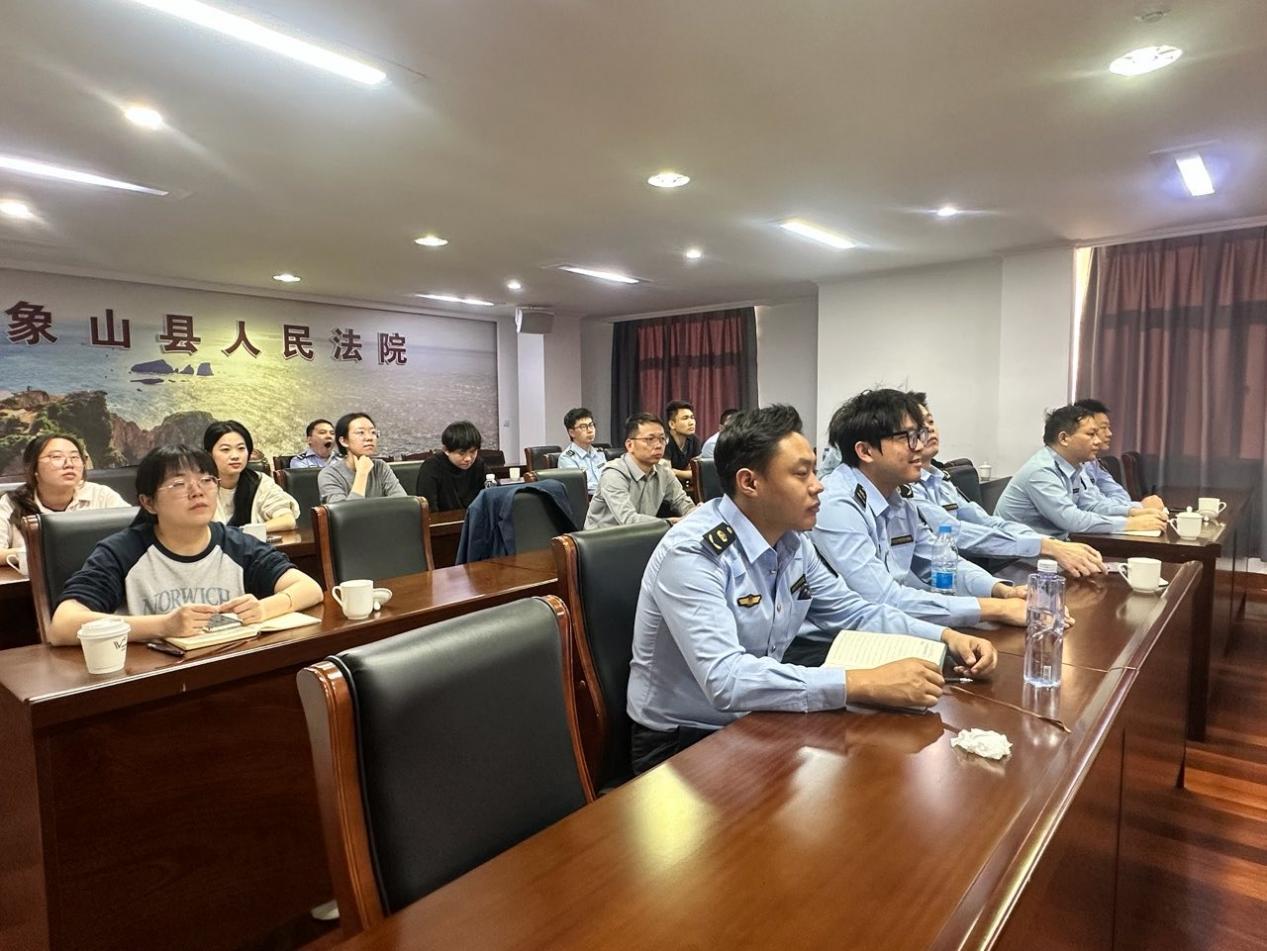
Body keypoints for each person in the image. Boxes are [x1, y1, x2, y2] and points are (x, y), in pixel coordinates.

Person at [627, 404, 997, 774]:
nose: (818, 485)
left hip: (760, 716)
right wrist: (862, 682)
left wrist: (946, 637)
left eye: (815, 471)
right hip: (683, 743)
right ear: (750, 483)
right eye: (801, 474)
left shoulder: (791, 541)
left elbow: (854, 612)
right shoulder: (695, 553)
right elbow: (726, 679)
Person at [47, 445, 323, 646]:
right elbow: (63, 625)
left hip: (230, 666)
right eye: (179, 484)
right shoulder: (123, 551)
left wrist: (263, 609)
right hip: (153, 679)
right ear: (148, 502)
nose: (197, 491)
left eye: (207, 480)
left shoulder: (236, 544)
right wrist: (163, 625)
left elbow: (308, 588)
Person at [811, 389, 1030, 629]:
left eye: (920, 434)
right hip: (839, 639)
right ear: (865, 451)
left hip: (891, 625)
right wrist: (996, 609)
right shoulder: (836, 504)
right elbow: (882, 598)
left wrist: (1000, 591)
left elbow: (939, 562)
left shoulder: (899, 498)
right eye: (906, 437)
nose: (919, 446)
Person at [910, 394, 1104, 577]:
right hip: (972, 571)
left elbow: (986, 522)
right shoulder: (907, 489)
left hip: (973, 571)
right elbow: (956, 533)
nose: (928, 429)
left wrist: (1048, 543)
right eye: (917, 426)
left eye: (930, 421)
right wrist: (1046, 546)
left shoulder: (940, 479)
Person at [995, 405, 1170, 537]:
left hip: (1053, 549)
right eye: (1090, 434)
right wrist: (1131, 524)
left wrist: (1135, 511)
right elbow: (1072, 520)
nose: (1098, 441)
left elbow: (1091, 505)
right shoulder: (1041, 471)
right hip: (1018, 559)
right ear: (1064, 438)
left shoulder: (1074, 466)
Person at [0, 433, 130, 558]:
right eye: (57, 457)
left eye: (75, 457)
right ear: (33, 468)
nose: (69, 464)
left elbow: (133, 535)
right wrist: (37, 554)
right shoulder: (12, 503)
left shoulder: (101, 495)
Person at [584, 413, 696, 529]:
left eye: (662, 439)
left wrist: (695, 513)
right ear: (630, 445)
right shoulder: (613, 474)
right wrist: (670, 523)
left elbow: (682, 502)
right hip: (603, 538)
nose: (658, 445)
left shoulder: (664, 473)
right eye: (650, 439)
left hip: (644, 535)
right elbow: (629, 520)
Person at [202, 421, 300, 533]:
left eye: (241, 448)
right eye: (225, 449)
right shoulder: (199, 486)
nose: (235, 456)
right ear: (209, 454)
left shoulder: (260, 482)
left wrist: (243, 533)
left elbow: (287, 520)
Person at [1073, 398, 1165, 510]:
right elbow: (1092, 505)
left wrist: (1130, 508)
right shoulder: (1070, 465)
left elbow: (1119, 493)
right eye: (1103, 428)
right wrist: (1138, 507)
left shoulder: (1092, 462)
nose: (1109, 433)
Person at [318, 412, 407, 503]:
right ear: (344, 441)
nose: (369, 438)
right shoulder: (329, 474)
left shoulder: (380, 467)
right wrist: (362, 474)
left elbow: (403, 503)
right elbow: (345, 511)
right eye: (361, 432)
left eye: (373, 432)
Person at [415, 420, 489, 511]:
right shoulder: (432, 467)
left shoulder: (478, 464)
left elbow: (493, 496)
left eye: (473, 452)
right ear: (446, 450)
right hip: (443, 519)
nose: (468, 458)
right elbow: (428, 509)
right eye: (461, 453)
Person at [557, 407, 606, 492]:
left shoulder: (599, 453)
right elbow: (579, 487)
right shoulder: (567, 458)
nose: (590, 430)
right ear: (572, 433)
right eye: (583, 427)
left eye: (591, 425)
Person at [664, 400, 701, 480]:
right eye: (685, 418)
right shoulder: (664, 441)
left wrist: (675, 472)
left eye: (692, 417)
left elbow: (699, 472)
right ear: (672, 424)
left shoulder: (694, 440)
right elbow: (665, 473)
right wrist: (686, 473)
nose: (691, 423)